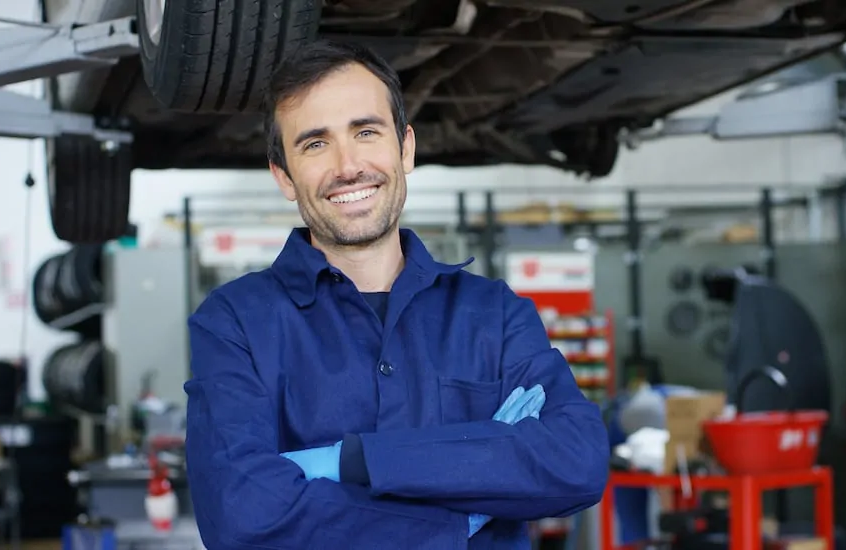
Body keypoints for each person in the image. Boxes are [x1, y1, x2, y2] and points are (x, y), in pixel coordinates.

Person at [183, 38, 610, 550]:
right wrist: (460, 509)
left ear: (405, 148)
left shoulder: (493, 313)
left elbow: (575, 461)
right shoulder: (235, 323)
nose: (347, 166)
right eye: (315, 144)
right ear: (284, 176)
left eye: (366, 132)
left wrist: (352, 462)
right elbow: (241, 515)